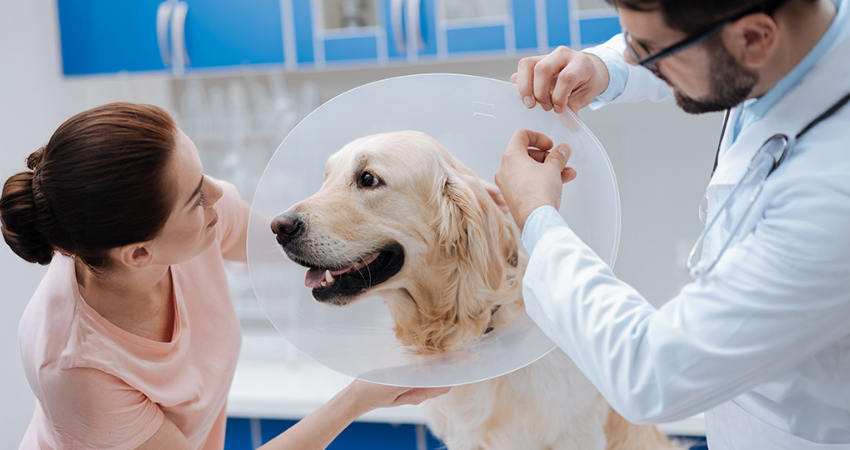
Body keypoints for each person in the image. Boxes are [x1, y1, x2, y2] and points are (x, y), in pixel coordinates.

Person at [494, 0, 850, 448]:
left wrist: (536, 215)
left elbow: (650, 372)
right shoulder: (801, 38)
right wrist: (604, 67)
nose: (637, 59)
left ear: (755, 38)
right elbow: (699, 46)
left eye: (650, 51)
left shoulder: (831, 192)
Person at [0, 102, 449, 450]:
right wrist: (357, 399)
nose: (219, 192)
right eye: (196, 196)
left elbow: (303, 250)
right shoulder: (75, 366)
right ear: (140, 253)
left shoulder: (185, 220)